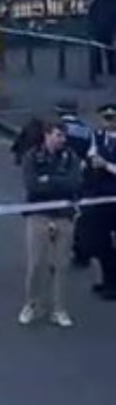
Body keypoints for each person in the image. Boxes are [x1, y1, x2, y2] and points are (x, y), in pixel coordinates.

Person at [19, 123, 83, 327]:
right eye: (58, 135)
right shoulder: (32, 156)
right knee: (36, 263)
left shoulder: (71, 157)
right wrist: (58, 183)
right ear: (47, 135)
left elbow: (75, 183)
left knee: (61, 265)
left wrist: (48, 180)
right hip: (38, 215)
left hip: (64, 216)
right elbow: (32, 186)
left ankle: (59, 309)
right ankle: (31, 304)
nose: (63, 140)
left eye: (64, 136)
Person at [54, 99, 94, 268]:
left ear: (58, 111)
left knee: (57, 218)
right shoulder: (87, 130)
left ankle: (56, 255)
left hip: (58, 180)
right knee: (79, 218)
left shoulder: (54, 130)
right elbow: (92, 154)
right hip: (80, 179)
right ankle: (81, 254)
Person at [84, 103, 116, 300]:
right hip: (100, 197)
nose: (108, 122)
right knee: (101, 242)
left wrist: (107, 165)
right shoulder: (97, 136)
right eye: (105, 118)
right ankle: (107, 280)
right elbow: (90, 154)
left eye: (111, 118)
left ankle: (114, 284)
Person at [86, 0, 116, 76]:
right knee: (96, 49)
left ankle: (111, 69)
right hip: (96, 25)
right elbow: (86, 5)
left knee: (109, 48)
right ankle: (98, 69)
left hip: (107, 25)